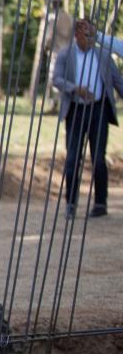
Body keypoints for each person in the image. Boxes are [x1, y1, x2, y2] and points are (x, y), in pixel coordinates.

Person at [52, 18, 123, 220]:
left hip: (98, 110)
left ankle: (100, 203)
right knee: (73, 158)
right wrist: (75, 89)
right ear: (76, 35)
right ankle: (71, 204)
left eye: (92, 34)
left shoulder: (103, 55)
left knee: (99, 158)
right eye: (86, 34)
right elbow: (56, 78)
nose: (90, 39)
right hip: (75, 110)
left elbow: (118, 82)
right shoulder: (66, 54)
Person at [40, 0, 75, 111]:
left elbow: (49, 36)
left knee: (54, 77)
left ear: (53, 4)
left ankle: (54, 104)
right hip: (69, 52)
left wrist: (46, 47)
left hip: (55, 53)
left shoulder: (53, 18)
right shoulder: (70, 18)